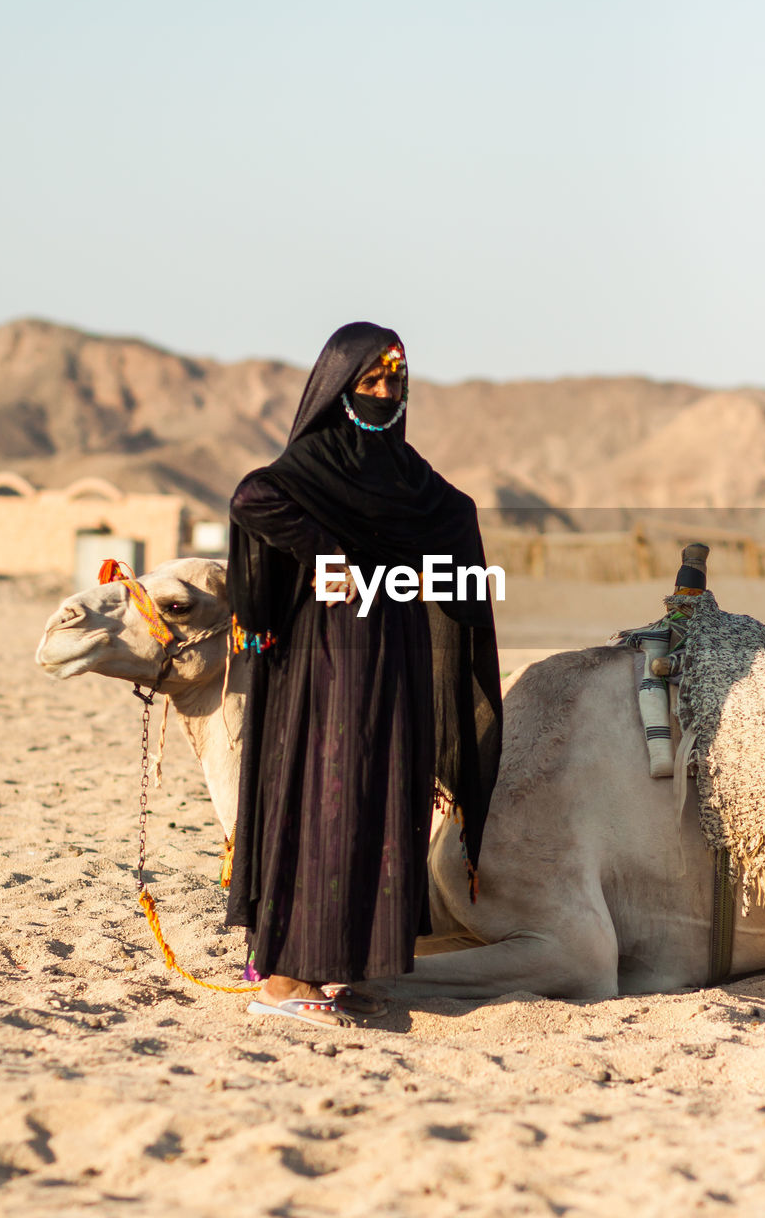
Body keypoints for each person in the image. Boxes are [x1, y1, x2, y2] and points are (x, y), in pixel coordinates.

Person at [225, 321, 502, 1028]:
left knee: (383, 800)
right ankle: (285, 977)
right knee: (325, 798)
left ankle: (339, 969)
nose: (384, 394)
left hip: (396, 656)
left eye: (394, 382)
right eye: (370, 382)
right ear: (339, 389)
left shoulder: (404, 473)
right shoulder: (314, 460)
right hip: (325, 666)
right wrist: (326, 552)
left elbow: (456, 513)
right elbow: (251, 499)